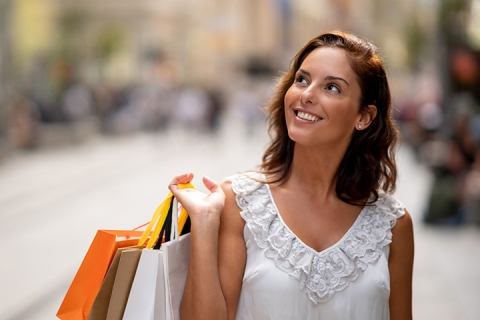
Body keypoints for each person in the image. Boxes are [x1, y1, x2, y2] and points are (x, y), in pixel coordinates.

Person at [169, 31, 414, 320]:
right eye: (302, 79)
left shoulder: (392, 225)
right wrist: (204, 223)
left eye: (332, 87)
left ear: (364, 116)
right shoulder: (239, 203)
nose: (307, 95)